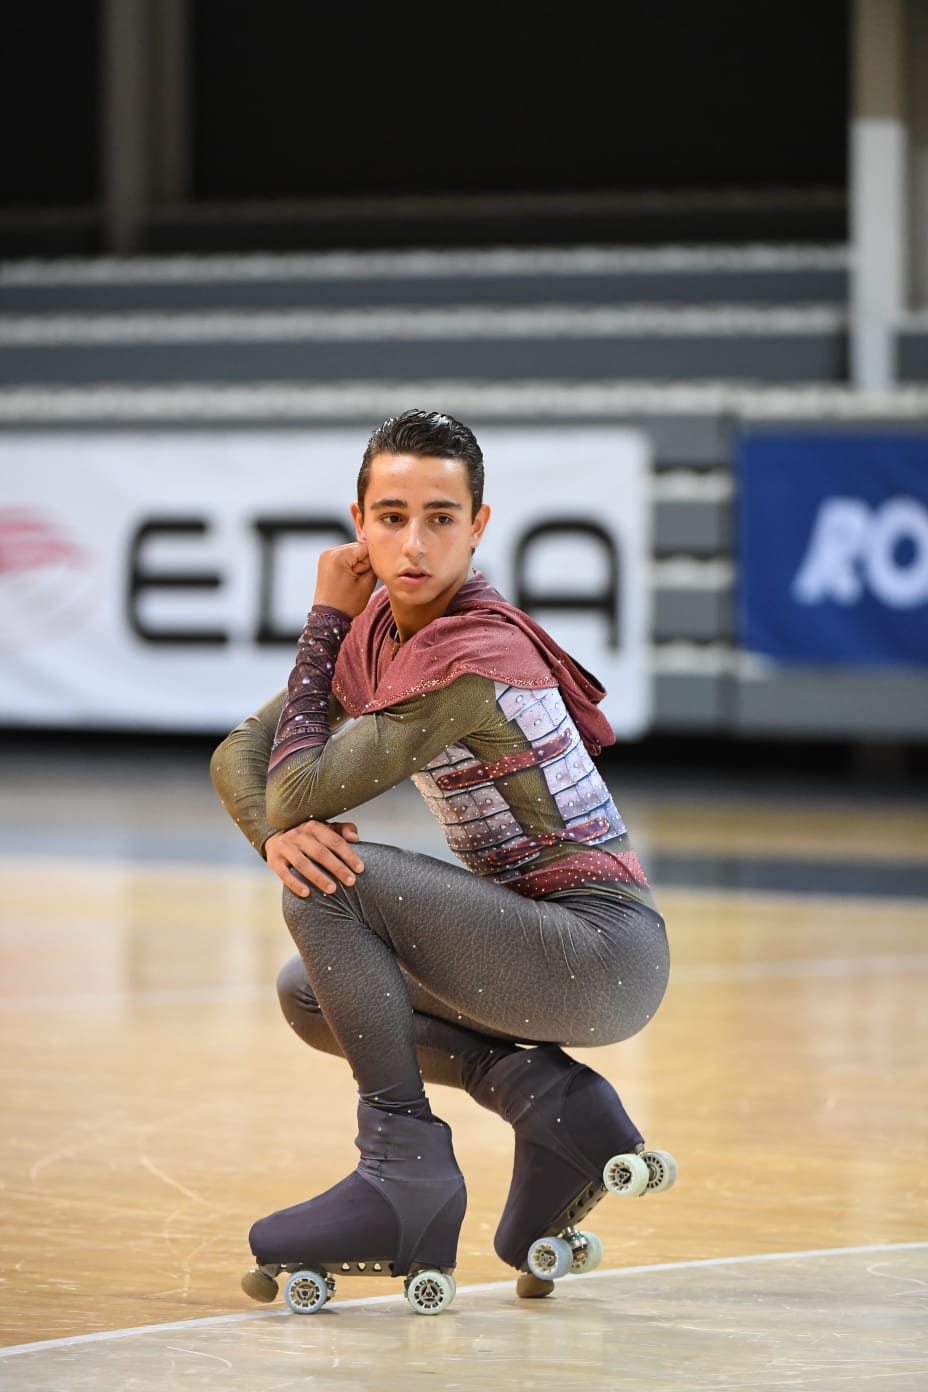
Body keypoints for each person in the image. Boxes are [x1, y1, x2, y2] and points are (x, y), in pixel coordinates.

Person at [210, 409, 673, 1312]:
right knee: (313, 992)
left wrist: (321, 626)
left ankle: (400, 1172)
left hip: (597, 953)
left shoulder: (469, 654)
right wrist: (273, 833)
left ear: (480, 525)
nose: (414, 542)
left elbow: (300, 787)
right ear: (358, 521)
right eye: (391, 517)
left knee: (334, 890)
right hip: (545, 946)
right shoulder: (385, 627)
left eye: (440, 517)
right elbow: (239, 753)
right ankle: (555, 1110)